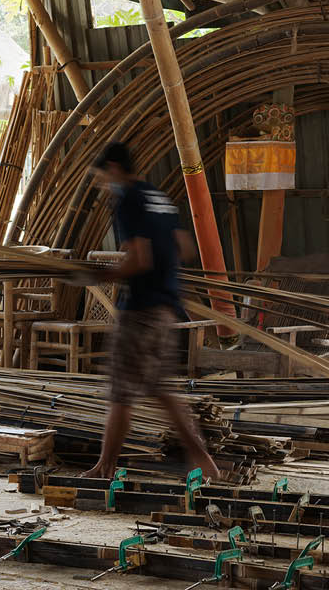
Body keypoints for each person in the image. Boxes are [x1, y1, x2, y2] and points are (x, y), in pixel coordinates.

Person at [77, 142, 220, 481]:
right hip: (166, 309)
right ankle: (205, 462)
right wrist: (162, 273)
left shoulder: (127, 199)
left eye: (101, 178)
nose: (102, 185)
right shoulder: (159, 197)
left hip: (140, 312)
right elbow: (184, 247)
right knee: (161, 391)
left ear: (113, 168)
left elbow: (139, 260)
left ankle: (104, 469)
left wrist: (96, 276)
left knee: (121, 392)